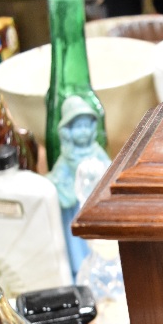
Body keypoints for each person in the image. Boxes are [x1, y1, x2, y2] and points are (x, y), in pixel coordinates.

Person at [47, 96, 111, 276]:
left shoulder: (96, 151)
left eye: (86, 126)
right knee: (79, 242)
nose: (83, 132)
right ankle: (81, 267)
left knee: (102, 240)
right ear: (67, 131)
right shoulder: (67, 157)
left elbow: (110, 169)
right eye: (77, 127)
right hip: (76, 208)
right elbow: (57, 178)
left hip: (97, 205)